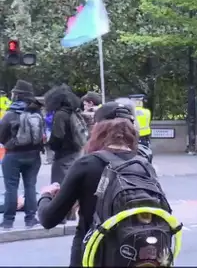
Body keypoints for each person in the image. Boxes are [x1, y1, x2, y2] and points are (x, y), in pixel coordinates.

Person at [37, 103, 140, 267]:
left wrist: (46, 195)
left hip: (92, 255)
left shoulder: (87, 164)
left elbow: (49, 218)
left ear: (98, 129)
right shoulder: (143, 165)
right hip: (134, 255)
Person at [0, 80, 43, 229]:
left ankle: (7, 221)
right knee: (30, 186)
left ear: (17, 95)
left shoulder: (11, 114)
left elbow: (1, 134)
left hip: (13, 155)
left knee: (11, 188)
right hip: (34, 155)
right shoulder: (37, 112)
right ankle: (30, 219)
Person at [44, 84, 84, 185]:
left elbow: (58, 135)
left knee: (58, 184)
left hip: (63, 154)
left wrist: (51, 146)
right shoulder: (73, 112)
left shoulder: (60, 115)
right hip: (74, 150)